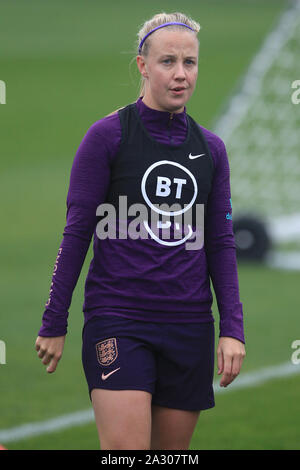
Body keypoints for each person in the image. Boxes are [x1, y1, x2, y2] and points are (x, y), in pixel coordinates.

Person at [35, 12, 246, 450]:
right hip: (119, 320)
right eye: (168, 61)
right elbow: (76, 234)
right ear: (142, 66)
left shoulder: (211, 150)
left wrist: (232, 328)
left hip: (189, 328)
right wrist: (54, 319)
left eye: (190, 63)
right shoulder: (107, 138)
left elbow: (221, 243)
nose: (180, 74)